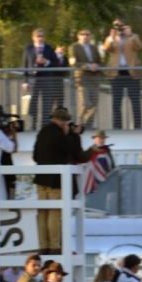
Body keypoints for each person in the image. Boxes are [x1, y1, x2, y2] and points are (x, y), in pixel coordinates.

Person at [32, 107, 87, 254]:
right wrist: (74, 135)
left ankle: (43, 245)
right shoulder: (60, 135)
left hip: (41, 179)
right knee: (55, 213)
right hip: (56, 180)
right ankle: (55, 246)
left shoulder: (43, 132)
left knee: (43, 213)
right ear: (63, 122)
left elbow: (35, 156)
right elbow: (75, 152)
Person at [102, 20, 142, 129]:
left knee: (135, 102)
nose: (119, 28)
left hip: (131, 74)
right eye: (117, 26)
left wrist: (131, 35)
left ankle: (137, 127)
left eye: (121, 26)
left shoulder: (134, 37)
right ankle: (117, 127)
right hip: (116, 74)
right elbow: (106, 49)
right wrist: (111, 38)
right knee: (116, 104)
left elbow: (140, 47)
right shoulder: (111, 38)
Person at [22, 27, 64, 127]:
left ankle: (44, 125)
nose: (40, 38)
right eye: (38, 36)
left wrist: (46, 62)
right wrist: (25, 81)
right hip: (33, 79)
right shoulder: (28, 49)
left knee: (47, 102)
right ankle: (32, 124)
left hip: (46, 79)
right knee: (33, 102)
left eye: (42, 36)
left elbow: (56, 63)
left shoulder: (49, 48)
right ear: (33, 38)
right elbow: (24, 65)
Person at [69, 28, 102, 128]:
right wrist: (87, 66)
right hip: (82, 79)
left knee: (94, 104)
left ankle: (88, 125)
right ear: (78, 36)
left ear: (90, 36)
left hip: (94, 79)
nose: (85, 36)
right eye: (82, 34)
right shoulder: (74, 47)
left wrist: (97, 66)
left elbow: (99, 61)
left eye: (87, 34)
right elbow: (73, 62)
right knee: (85, 103)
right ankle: (80, 124)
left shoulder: (93, 47)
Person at [0, 117, 18, 199]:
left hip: (5, 174)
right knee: (9, 199)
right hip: (7, 175)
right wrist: (13, 134)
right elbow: (14, 148)